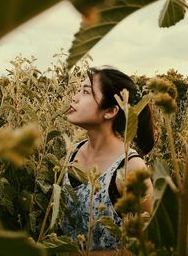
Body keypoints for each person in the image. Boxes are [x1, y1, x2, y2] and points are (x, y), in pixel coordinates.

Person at [62, 66, 155, 255]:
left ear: (111, 110)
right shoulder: (74, 151)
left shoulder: (130, 168)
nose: (74, 97)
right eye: (78, 90)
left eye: (86, 92)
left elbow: (148, 244)